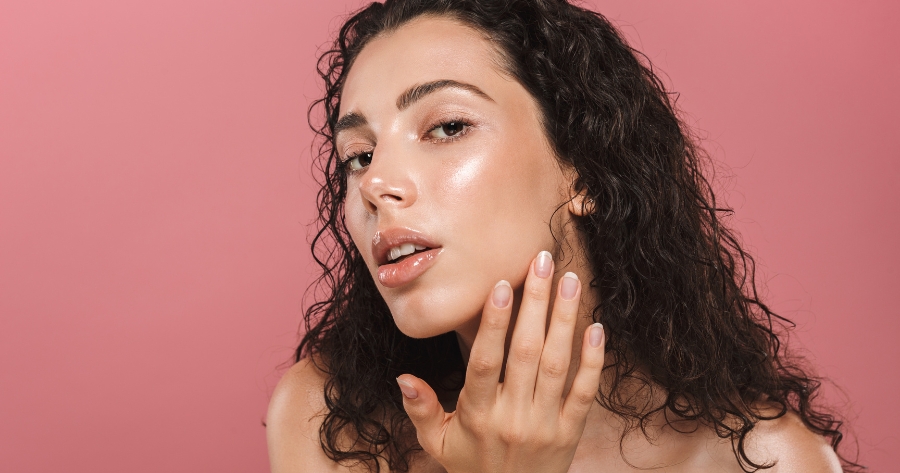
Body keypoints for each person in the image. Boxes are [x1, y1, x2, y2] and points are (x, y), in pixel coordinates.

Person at [267, 1, 860, 471]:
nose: (376, 184)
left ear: (584, 167)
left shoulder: (764, 460)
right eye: (359, 155)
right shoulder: (332, 423)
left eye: (447, 127)